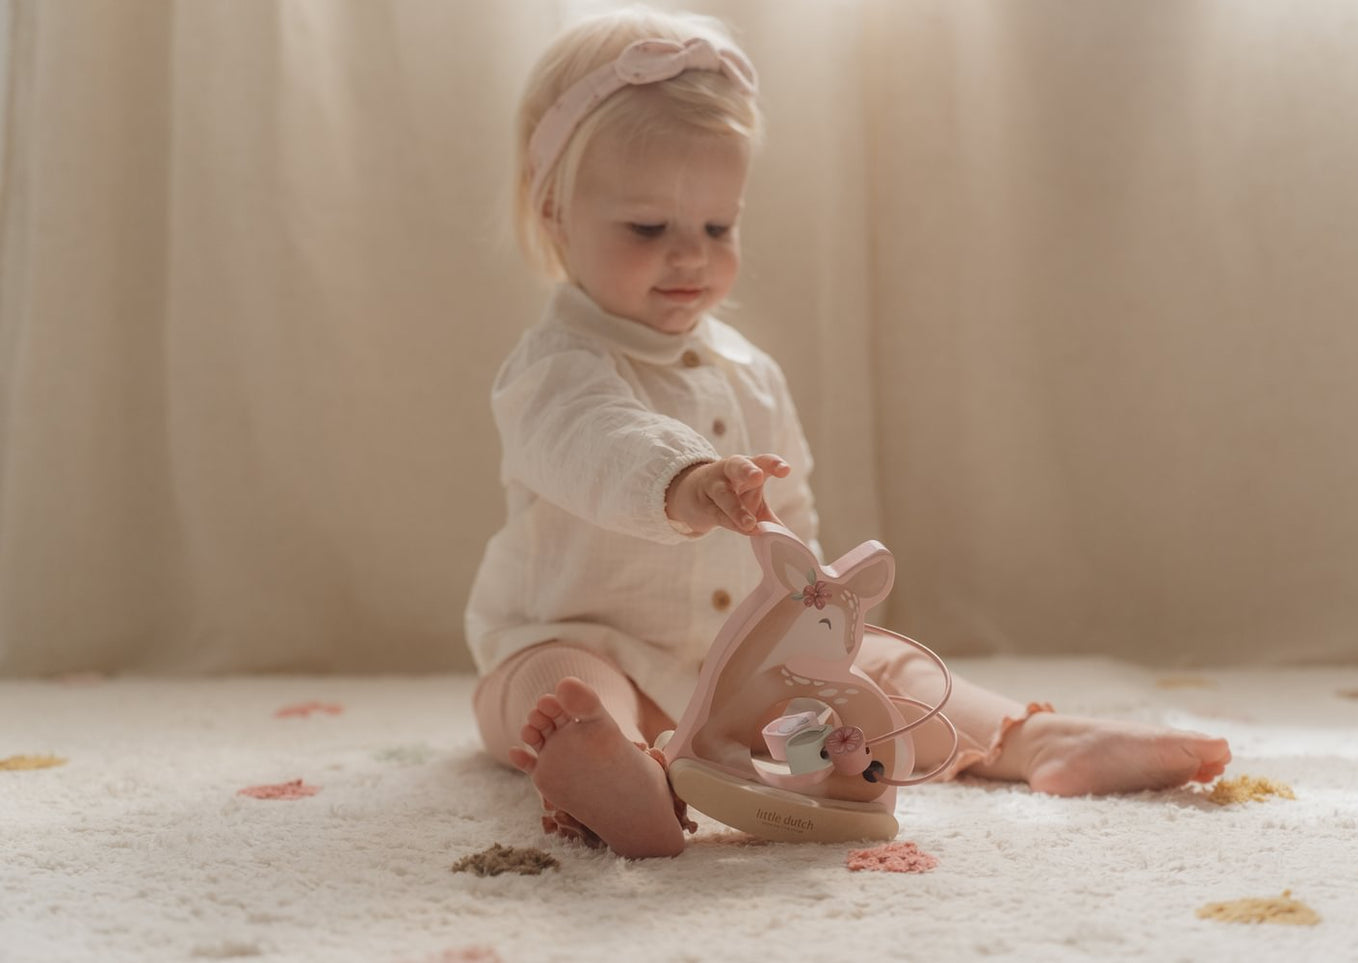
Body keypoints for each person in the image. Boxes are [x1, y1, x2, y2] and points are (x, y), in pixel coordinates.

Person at [466, 5, 1231, 859]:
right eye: (648, 228)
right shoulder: (555, 365)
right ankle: (625, 774)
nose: (691, 256)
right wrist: (684, 481)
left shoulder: (749, 371)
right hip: (588, 639)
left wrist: (816, 623)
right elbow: (589, 440)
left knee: (881, 669)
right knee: (552, 686)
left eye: (719, 228)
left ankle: (1026, 741)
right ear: (553, 211)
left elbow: (791, 514)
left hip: (741, 681)